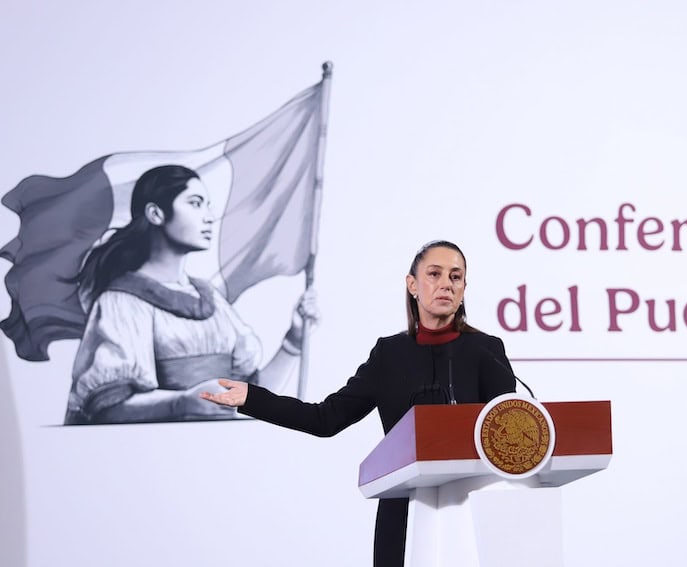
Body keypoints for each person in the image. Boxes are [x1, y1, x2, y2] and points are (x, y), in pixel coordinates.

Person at [201, 239, 517, 567]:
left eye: (455, 277)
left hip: (468, 509)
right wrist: (253, 398)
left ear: (464, 287)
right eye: (434, 274)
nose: (445, 285)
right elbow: (325, 419)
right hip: (402, 510)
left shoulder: (485, 350)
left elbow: (510, 437)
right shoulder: (389, 354)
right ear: (412, 285)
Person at [65, 164, 316, 425]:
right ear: (155, 213)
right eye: (195, 204)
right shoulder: (121, 302)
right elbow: (108, 408)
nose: (209, 217)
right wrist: (181, 403)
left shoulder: (213, 301)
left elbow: (253, 400)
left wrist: (293, 341)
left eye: (208, 205)